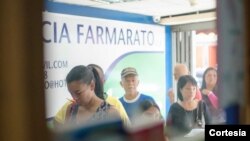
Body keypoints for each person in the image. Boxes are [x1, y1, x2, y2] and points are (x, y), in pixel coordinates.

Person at [53, 65, 121, 129]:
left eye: (78, 93)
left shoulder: (111, 112)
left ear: (92, 85)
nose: (74, 97)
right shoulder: (71, 109)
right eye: (71, 93)